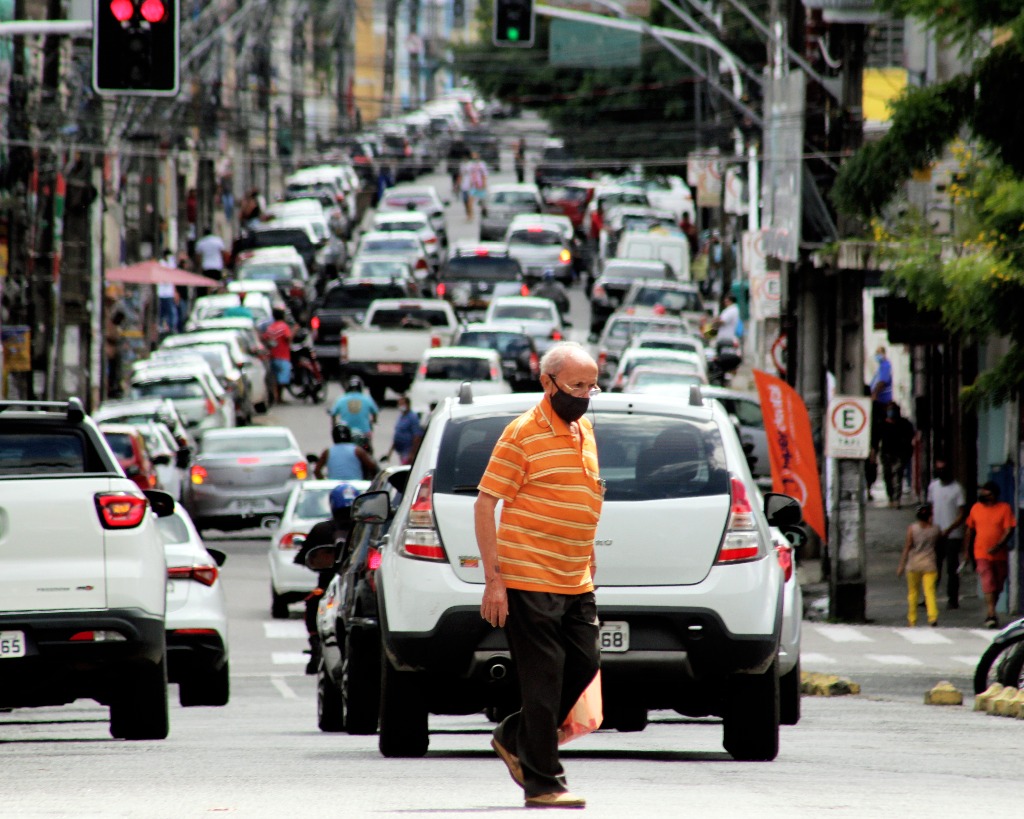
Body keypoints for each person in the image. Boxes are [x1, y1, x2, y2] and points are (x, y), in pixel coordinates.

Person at [475, 342, 602, 809]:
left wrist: (589, 554)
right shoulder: (522, 433)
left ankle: (514, 734)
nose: (584, 395)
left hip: (575, 578)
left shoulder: (584, 429)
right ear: (548, 383)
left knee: (584, 666)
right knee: (544, 681)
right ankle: (544, 783)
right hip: (529, 576)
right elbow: (485, 504)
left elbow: (583, 496)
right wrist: (494, 581)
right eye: (576, 386)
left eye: (592, 387)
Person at [293, 482, 361, 674]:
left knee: (313, 604)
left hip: (328, 588)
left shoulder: (321, 529)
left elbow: (302, 559)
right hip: (358, 586)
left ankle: (316, 644)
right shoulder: (365, 529)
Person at [965, 481, 1017, 628]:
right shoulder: (976, 508)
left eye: (987, 494)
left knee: (998, 584)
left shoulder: (1004, 509)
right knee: (988, 581)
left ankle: (991, 609)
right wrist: (967, 551)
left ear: (994, 495)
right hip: (981, 552)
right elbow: (970, 530)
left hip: (999, 554)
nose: (983, 496)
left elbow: (1009, 529)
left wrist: (998, 546)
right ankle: (991, 613)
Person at [927, 459, 967, 609]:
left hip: (953, 535)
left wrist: (949, 528)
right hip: (937, 534)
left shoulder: (957, 489)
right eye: (938, 469)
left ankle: (953, 598)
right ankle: (929, 596)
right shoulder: (933, 486)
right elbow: (930, 508)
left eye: (943, 469)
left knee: (952, 568)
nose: (940, 472)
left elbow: (962, 513)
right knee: (933, 567)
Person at [897, 504, 940, 627]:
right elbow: (939, 544)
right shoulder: (935, 529)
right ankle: (932, 617)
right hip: (930, 564)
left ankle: (912, 620)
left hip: (913, 565)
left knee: (913, 593)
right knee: (929, 592)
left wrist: (901, 565)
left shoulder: (912, 528)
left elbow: (907, 546)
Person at [878, 402, 914, 508]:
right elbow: (876, 438)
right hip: (886, 454)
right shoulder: (882, 424)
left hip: (900, 454)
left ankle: (896, 498)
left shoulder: (904, 424)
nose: (891, 412)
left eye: (893, 410)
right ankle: (890, 497)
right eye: (889, 410)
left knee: (898, 475)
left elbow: (910, 437)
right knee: (887, 476)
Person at [314, 423, 378, 480]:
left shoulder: (327, 452)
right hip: (355, 486)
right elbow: (372, 466)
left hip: (334, 486)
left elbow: (317, 471)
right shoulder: (357, 450)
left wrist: (324, 482)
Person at [262, 307, 293, 404]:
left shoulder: (270, 327)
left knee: (274, 378)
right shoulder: (284, 326)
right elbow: (288, 338)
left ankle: (275, 397)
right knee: (282, 379)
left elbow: (264, 338)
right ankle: (279, 397)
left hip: (272, 356)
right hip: (283, 356)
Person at [387, 395, 423, 465]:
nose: (400, 406)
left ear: (408, 404)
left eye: (402, 404)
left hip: (408, 451)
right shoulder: (401, 416)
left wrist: (412, 453)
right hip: (401, 450)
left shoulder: (413, 417)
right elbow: (398, 433)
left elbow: (417, 436)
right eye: (399, 404)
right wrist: (390, 453)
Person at [157, 250, 178, 334]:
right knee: (163, 312)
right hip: (162, 293)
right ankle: (161, 327)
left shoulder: (171, 263)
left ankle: (171, 327)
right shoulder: (161, 264)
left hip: (169, 293)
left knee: (171, 312)